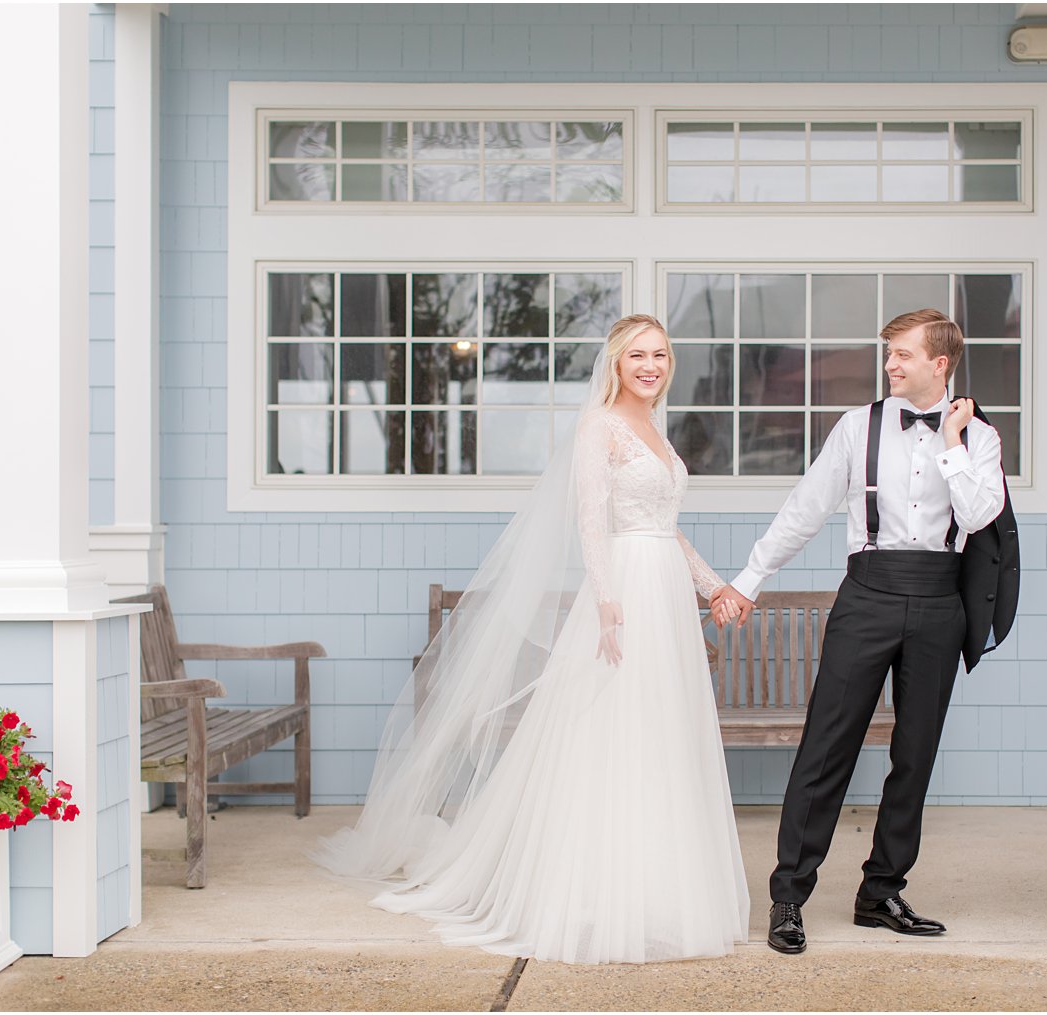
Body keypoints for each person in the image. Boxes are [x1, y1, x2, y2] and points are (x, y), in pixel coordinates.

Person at [312, 314, 751, 965]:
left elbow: (665, 526)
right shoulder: (598, 426)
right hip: (625, 593)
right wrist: (605, 601)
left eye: (659, 354)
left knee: (660, 733)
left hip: (664, 593)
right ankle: (594, 891)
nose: (650, 365)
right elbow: (589, 522)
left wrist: (714, 585)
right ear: (616, 363)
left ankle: (657, 887)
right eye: (638, 355)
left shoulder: (653, 430)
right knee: (611, 734)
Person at [711, 308, 1008, 954]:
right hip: (868, 594)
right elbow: (805, 509)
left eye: (902, 354)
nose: (890, 364)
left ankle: (881, 889)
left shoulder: (979, 437)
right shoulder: (857, 427)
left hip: (939, 600)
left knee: (916, 753)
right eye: (889, 354)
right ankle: (788, 893)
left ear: (940, 362)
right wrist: (749, 578)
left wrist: (953, 441)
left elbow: (982, 512)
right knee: (828, 743)